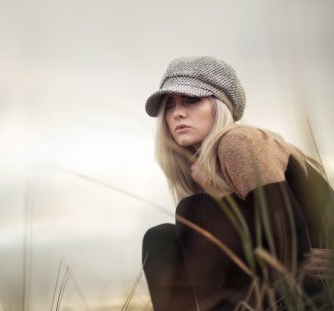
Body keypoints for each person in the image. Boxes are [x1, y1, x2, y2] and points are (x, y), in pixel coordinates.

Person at [141, 56, 334, 310]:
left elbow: (288, 237)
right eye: (170, 105)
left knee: (193, 210)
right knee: (160, 238)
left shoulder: (237, 141)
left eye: (192, 100)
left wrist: (216, 194)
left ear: (219, 105)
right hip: (273, 287)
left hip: (310, 287)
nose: (177, 113)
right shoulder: (200, 166)